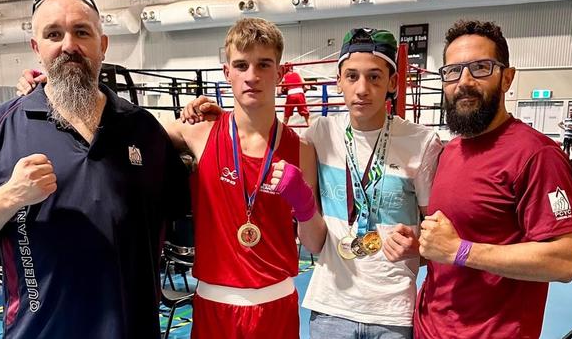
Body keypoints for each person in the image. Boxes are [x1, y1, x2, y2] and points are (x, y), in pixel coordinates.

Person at [0, 0, 189, 339]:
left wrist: (202, 126)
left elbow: (188, 199)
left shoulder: (144, 129)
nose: (68, 45)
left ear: (102, 45)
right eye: (53, 34)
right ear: (37, 48)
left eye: (81, 32)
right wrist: (10, 196)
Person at [181, 27, 443, 339]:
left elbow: (437, 236)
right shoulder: (321, 134)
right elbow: (253, 134)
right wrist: (221, 115)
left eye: (374, 77)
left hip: (392, 309)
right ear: (339, 81)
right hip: (330, 304)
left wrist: (419, 248)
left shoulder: (422, 142)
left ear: (393, 83)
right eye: (352, 76)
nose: (362, 89)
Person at [414, 20, 572, 339]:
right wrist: (418, 246)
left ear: (507, 78)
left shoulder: (536, 154)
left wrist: (459, 250)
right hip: (428, 329)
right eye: (453, 71)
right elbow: (449, 244)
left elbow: (566, 259)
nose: (464, 82)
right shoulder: (450, 151)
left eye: (480, 67)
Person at [170, 17, 326, 338]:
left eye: (264, 64)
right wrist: (43, 91)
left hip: (276, 305)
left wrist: (305, 204)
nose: (252, 76)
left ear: (280, 73)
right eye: (241, 65)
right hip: (214, 306)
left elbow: (313, 243)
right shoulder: (199, 132)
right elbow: (128, 126)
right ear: (227, 72)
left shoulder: (302, 150)